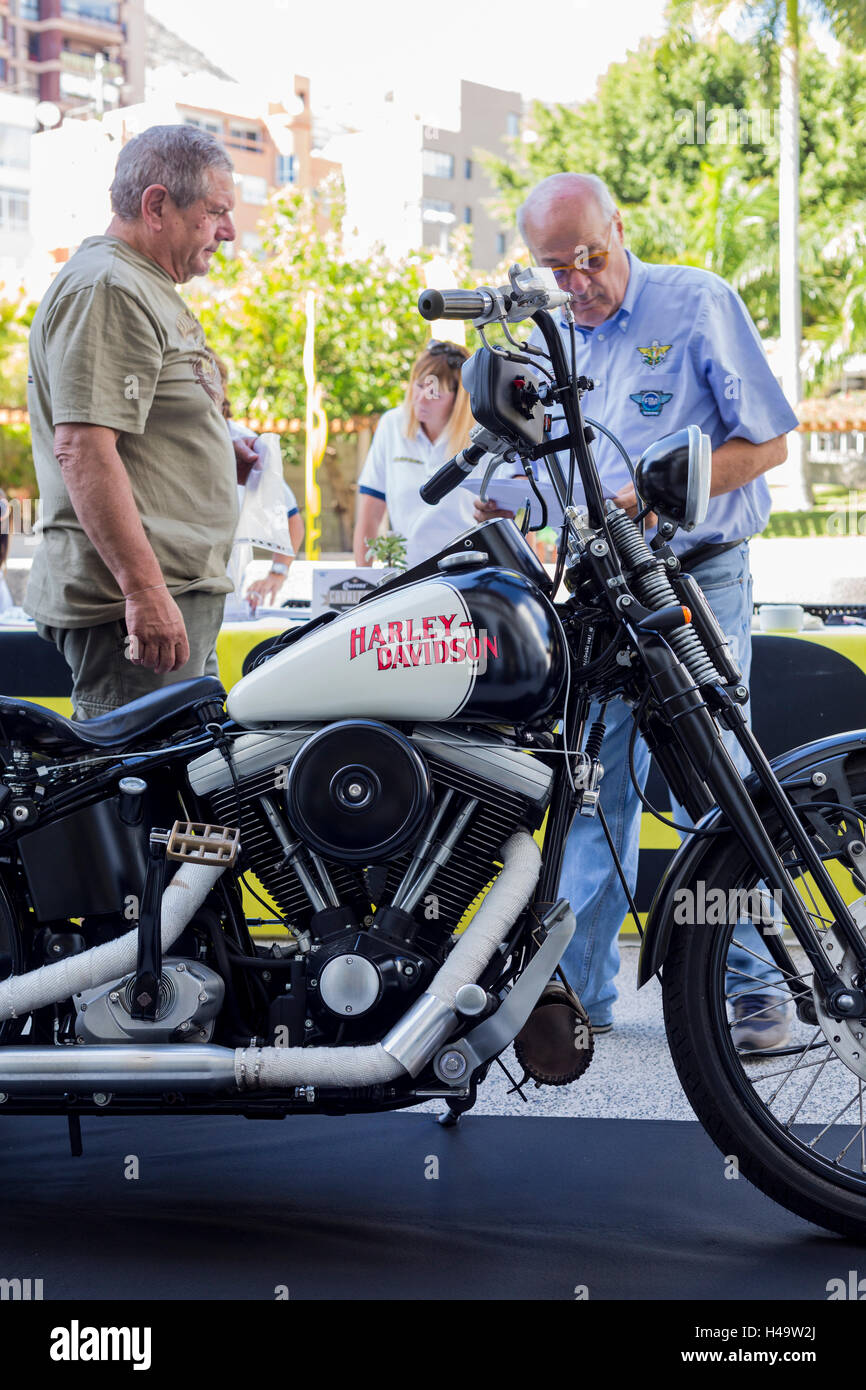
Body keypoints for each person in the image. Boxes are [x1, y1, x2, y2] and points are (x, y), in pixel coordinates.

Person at [476, 172, 799, 1049]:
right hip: (597, 586)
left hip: (694, 575)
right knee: (592, 790)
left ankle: (755, 992)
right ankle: (573, 1005)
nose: (578, 283)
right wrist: (509, 501)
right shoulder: (554, 338)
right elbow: (554, 471)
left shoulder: (697, 303)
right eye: (557, 268)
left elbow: (767, 438)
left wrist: (653, 499)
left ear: (621, 228)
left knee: (714, 778)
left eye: (590, 258)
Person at [24, 124, 257, 719]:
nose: (227, 231)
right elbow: (83, 448)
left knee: (175, 795)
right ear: (156, 205)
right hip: (138, 610)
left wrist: (209, 445)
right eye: (215, 212)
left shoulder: (137, 282)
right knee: (135, 799)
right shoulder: (110, 286)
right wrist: (146, 592)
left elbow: (131, 428)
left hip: (168, 599)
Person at [353, 340, 482, 570]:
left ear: (457, 398)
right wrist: (363, 582)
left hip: (468, 575)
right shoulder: (391, 425)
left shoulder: (482, 437)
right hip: (406, 576)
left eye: (435, 392)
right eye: (420, 385)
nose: (422, 398)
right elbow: (370, 515)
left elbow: (509, 516)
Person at [216, 357, 305, 613]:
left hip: (228, 600)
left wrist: (277, 573)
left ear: (223, 388)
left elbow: (290, 517)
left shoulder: (245, 442)